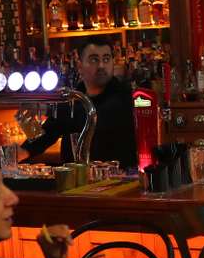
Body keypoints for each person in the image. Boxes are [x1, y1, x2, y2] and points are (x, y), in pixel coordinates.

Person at [19, 37, 138, 171]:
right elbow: (46, 135)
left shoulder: (124, 96)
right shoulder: (73, 99)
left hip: (116, 182)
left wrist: (48, 108)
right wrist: (16, 155)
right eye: (94, 60)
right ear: (79, 66)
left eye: (106, 59)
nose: (101, 66)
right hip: (76, 183)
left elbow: (92, 114)